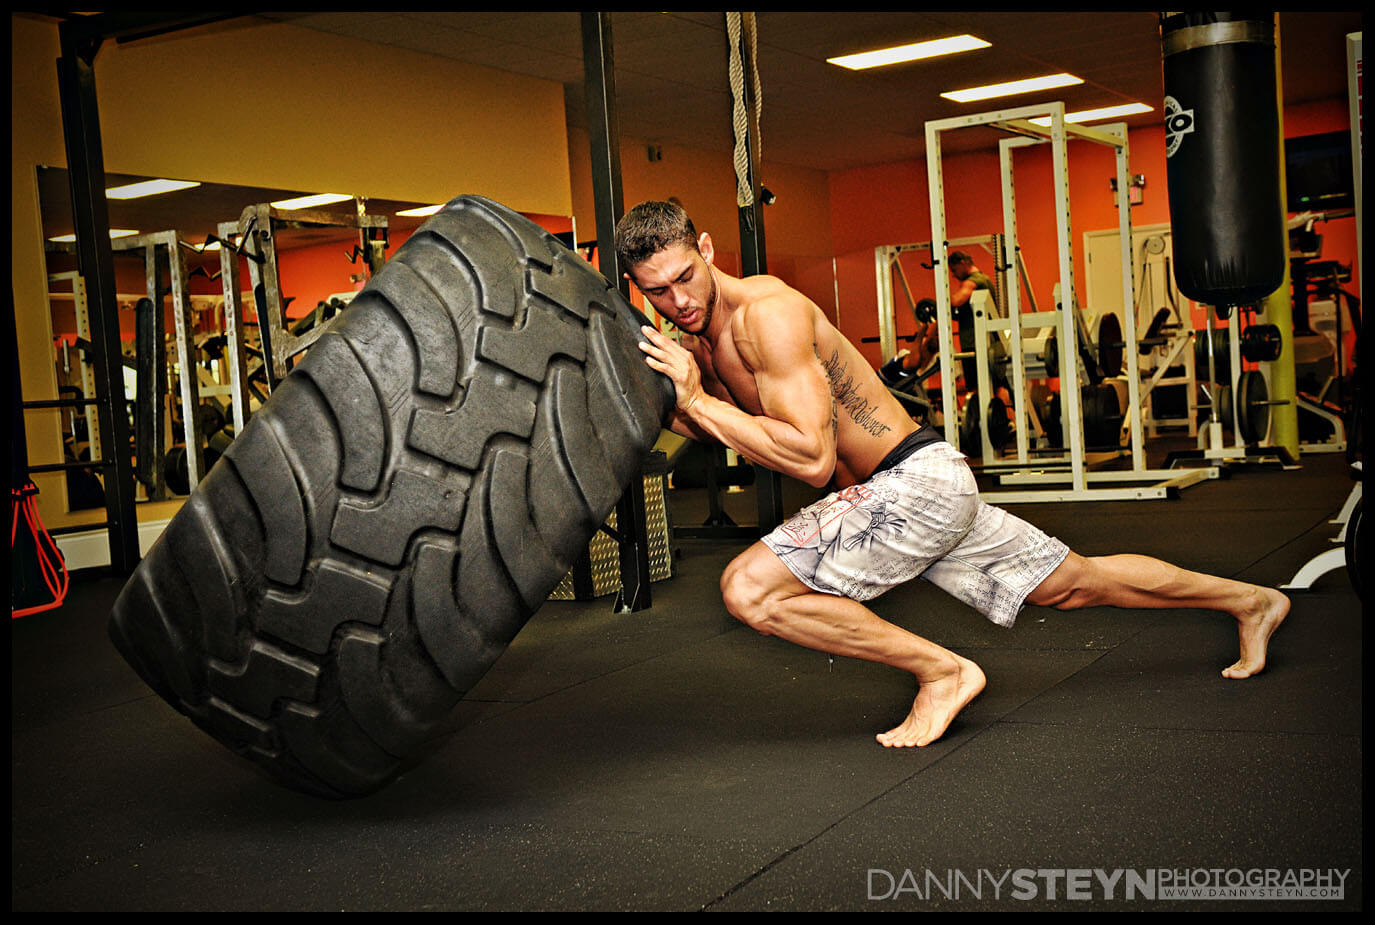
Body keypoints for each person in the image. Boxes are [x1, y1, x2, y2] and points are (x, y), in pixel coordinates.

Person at [616, 200, 1290, 749]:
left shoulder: (767, 317)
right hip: (920, 486)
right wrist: (677, 410)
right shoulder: (698, 342)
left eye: (685, 277)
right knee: (1077, 584)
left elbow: (810, 458)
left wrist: (698, 402)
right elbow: (744, 435)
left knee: (749, 589)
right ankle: (1250, 600)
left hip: (909, 485)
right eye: (656, 291)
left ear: (707, 249)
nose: (677, 301)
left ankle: (940, 671)